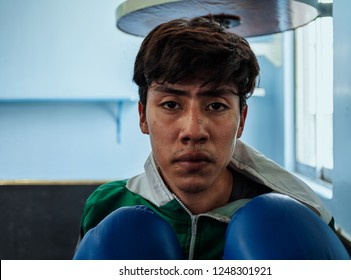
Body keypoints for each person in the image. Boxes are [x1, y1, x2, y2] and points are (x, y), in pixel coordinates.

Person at [75, 16, 335, 260]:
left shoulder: (295, 218)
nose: (193, 131)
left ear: (241, 120)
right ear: (143, 117)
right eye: (170, 104)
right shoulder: (106, 206)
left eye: (216, 106)